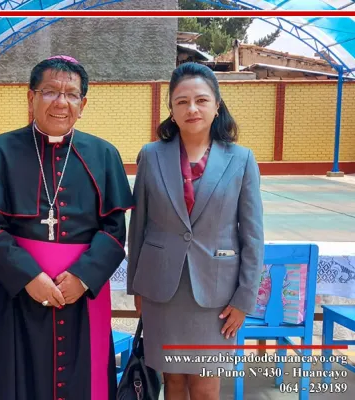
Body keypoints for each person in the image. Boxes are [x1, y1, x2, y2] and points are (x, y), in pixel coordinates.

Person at [0, 56, 134, 400]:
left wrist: (82, 277)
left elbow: (115, 228)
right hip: (17, 293)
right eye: (50, 92)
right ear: (31, 98)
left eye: (71, 95)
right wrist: (28, 277)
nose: (60, 102)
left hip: (81, 295)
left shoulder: (103, 154)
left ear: (82, 104)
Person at [127, 62, 264, 399]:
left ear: (217, 106)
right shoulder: (151, 155)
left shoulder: (241, 159)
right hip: (162, 291)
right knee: (173, 381)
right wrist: (137, 287)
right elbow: (138, 226)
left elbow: (252, 235)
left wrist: (244, 299)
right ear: (171, 111)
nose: (192, 109)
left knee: (205, 385)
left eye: (201, 100)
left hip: (217, 295)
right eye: (181, 101)